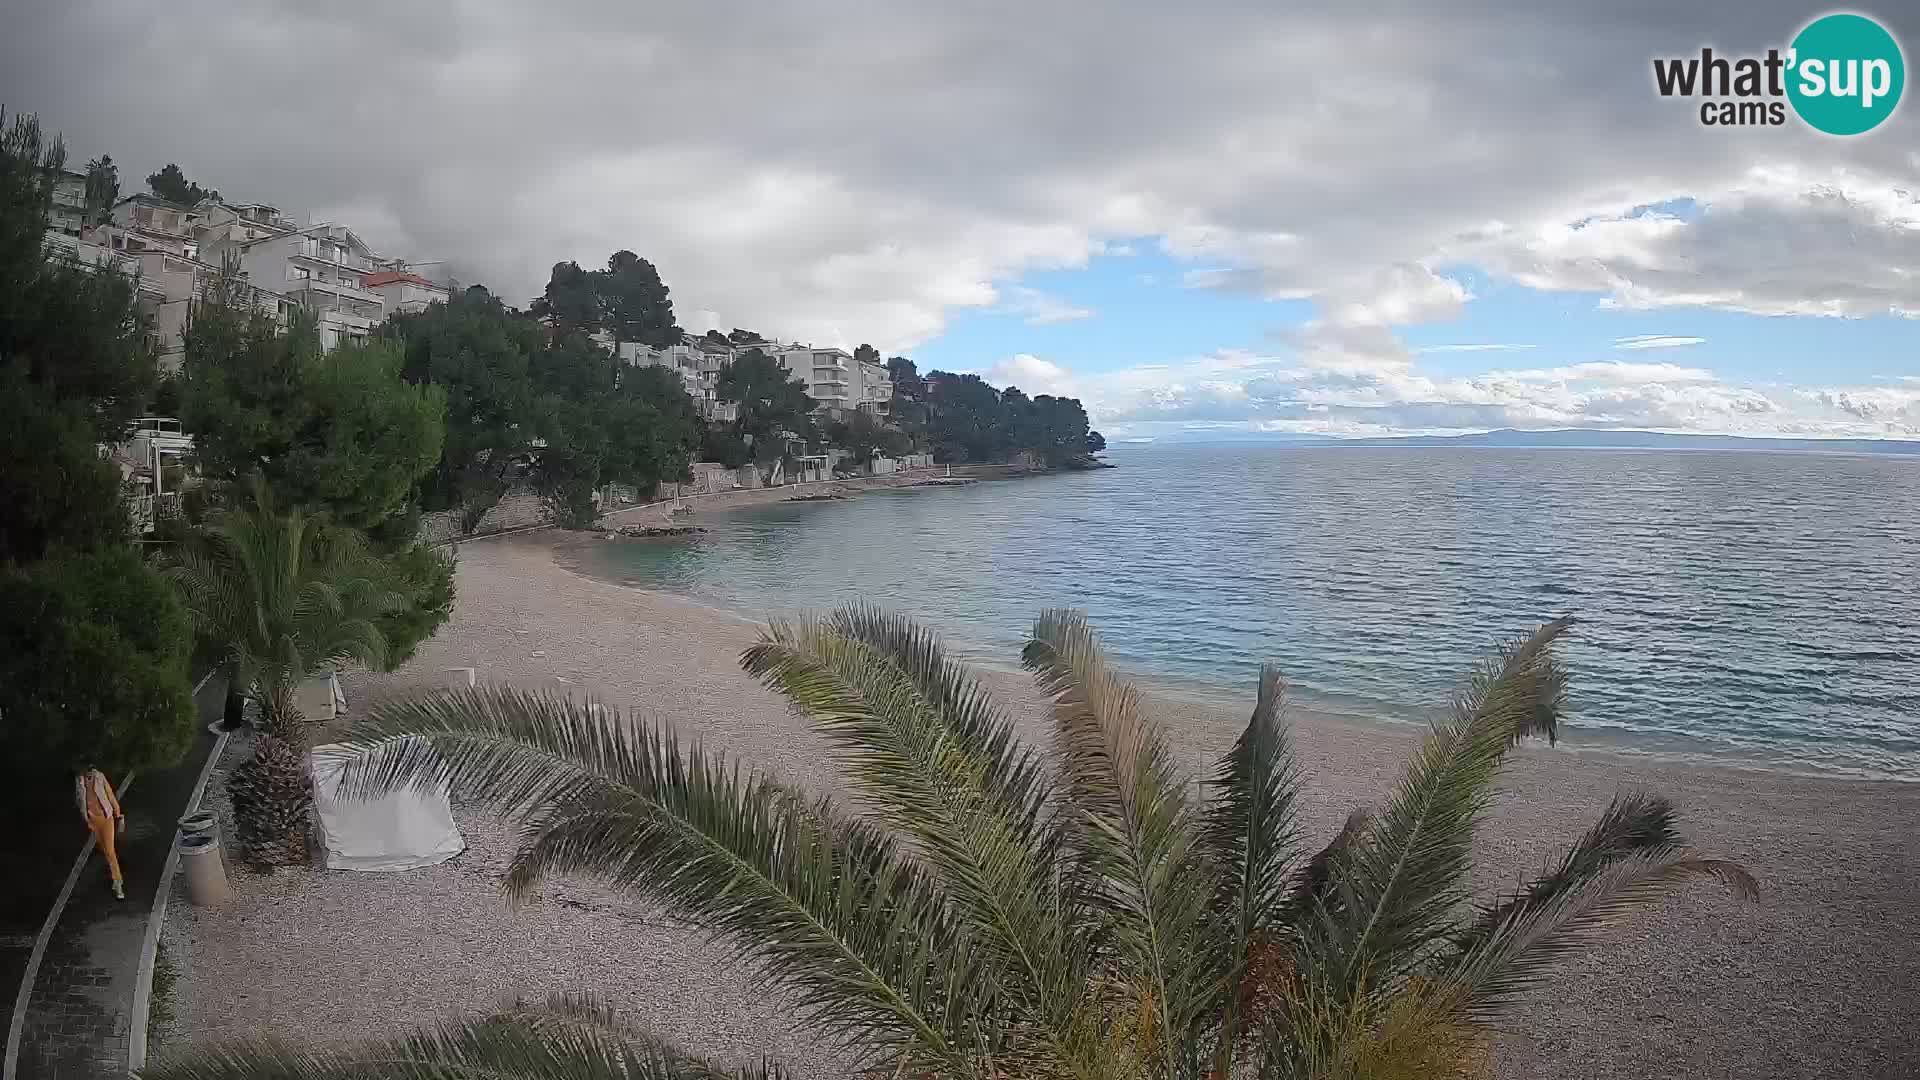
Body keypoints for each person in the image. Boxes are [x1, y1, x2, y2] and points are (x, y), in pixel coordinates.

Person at [75, 766, 126, 899]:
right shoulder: (79, 780)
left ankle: (118, 882)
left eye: (91, 769)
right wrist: (85, 817)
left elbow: (110, 794)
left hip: (106, 818)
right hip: (93, 822)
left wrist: (118, 813)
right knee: (103, 849)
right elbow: (80, 800)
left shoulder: (99, 777)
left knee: (110, 851)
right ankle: (114, 871)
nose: (90, 772)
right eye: (88, 769)